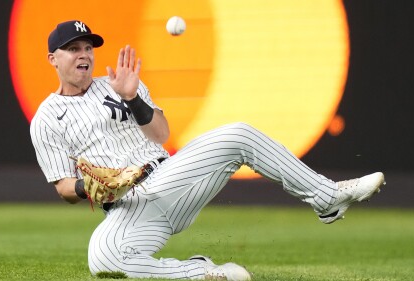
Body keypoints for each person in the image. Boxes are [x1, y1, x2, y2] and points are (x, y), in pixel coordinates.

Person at [30, 20, 385, 281]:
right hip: (129, 208)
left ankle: (326, 197)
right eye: (74, 48)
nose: (84, 54)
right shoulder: (46, 118)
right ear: (52, 59)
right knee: (102, 259)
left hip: (169, 178)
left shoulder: (119, 84)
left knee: (239, 134)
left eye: (88, 47)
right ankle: (202, 272)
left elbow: (161, 133)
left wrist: (131, 97)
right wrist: (89, 186)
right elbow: (64, 187)